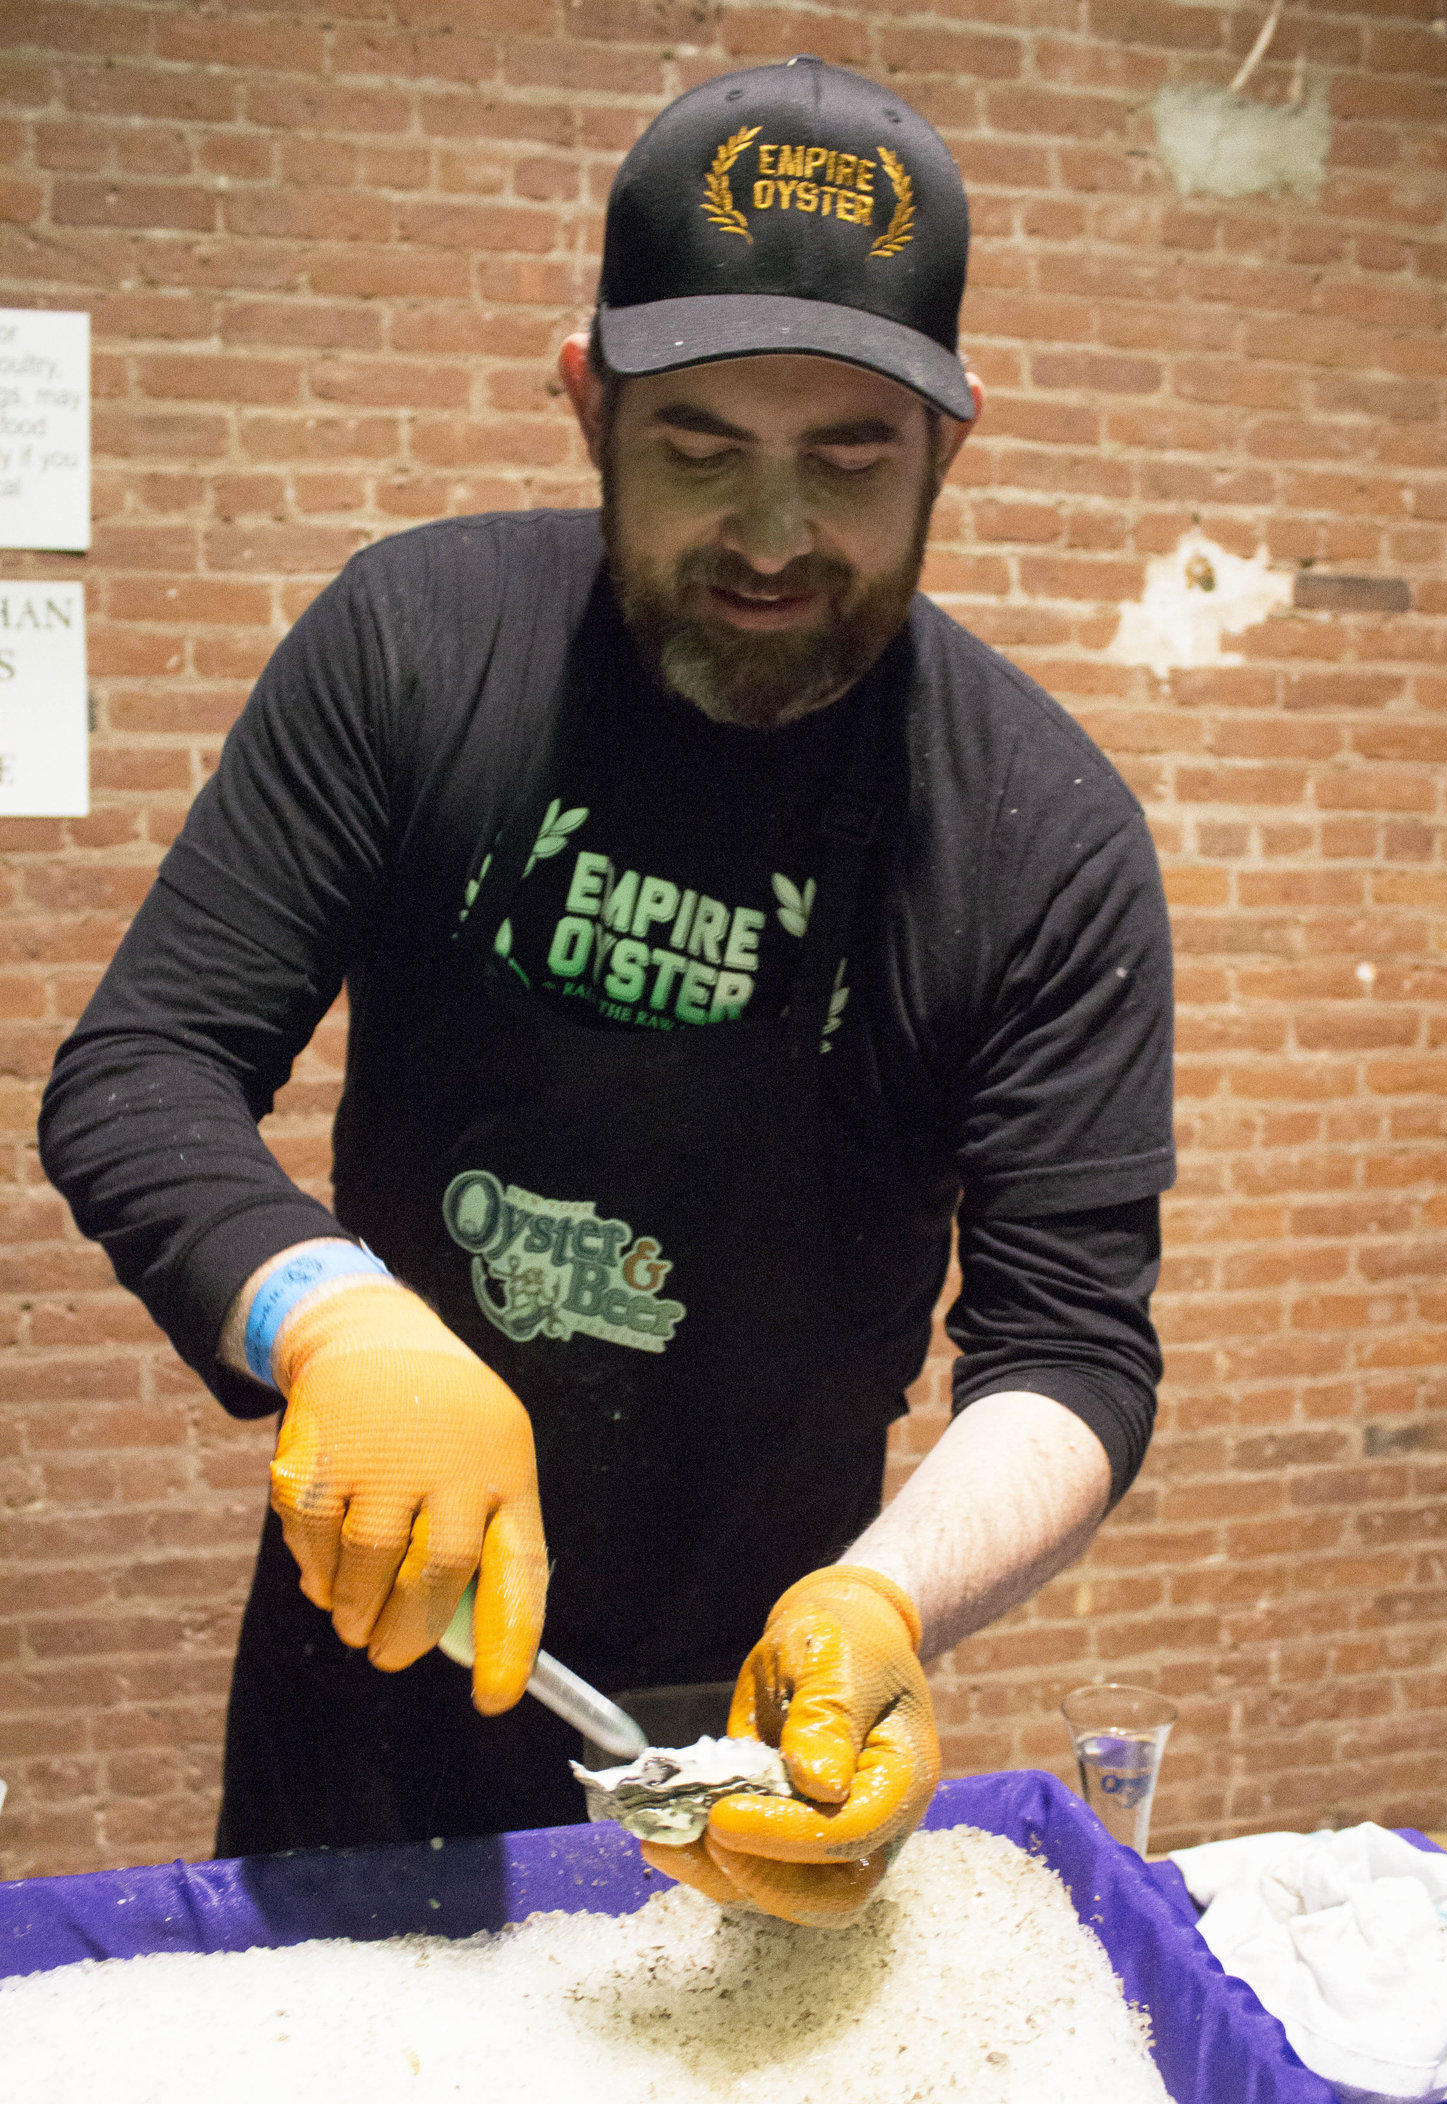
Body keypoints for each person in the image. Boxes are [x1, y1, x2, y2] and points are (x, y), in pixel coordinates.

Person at [39, 58, 1174, 1928]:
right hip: (371, 1660)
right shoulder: (415, 645)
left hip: (752, 1711)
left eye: (852, 457)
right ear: (590, 403)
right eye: (702, 445)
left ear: (955, 441)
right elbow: (143, 1069)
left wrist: (888, 1600)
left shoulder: (1040, 834)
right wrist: (344, 1323)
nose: (774, 534)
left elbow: (1071, 1350)